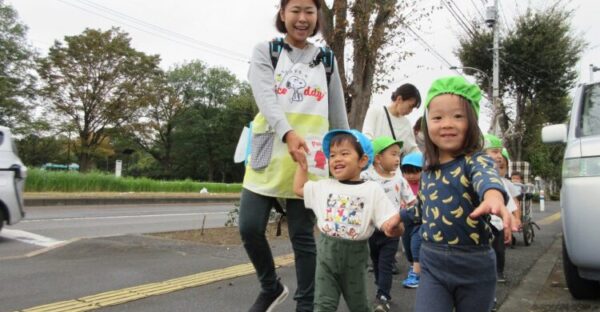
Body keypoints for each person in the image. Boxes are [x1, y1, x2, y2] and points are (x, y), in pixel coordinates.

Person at [239, 1, 349, 311]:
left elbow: (337, 115)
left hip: (310, 158)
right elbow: (266, 97)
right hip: (268, 152)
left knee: (303, 237)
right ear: (283, 14)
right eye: (295, 10)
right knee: (249, 227)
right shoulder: (267, 52)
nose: (302, 18)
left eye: (309, 12)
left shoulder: (327, 59)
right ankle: (271, 286)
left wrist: (345, 160)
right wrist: (288, 133)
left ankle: (305, 304)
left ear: (317, 18)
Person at [414, 76, 513, 312]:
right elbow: (421, 206)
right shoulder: (428, 168)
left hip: (474, 263)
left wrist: (493, 196)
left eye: (458, 116)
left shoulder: (476, 161)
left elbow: (487, 179)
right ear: (428, 125)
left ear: (472, 123)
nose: (447, 123)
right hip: (432, 261)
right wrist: (398, 219)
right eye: (437, 118)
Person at [293, 129, 403, 312]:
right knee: (322, 305)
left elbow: (389, 220)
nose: (336, 159)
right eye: (333, 155)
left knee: (359, 305)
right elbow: (298, 188)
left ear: (362, 160)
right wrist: (302, 167)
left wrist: (394, 228)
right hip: (326, 258)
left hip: (355, 257)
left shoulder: (371, 190)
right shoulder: (324, 187)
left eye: (344, 153)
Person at [361, 136, 416, 311]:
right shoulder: (366, 176)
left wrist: (414, 216)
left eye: (398, 155)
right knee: (376, 261)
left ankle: (383, 294)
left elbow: (412, 202)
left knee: (385, 263)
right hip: (371, 229)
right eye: (393, 154)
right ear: (378, 158)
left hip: (392, 229)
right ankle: (381, 286)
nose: (397, 159)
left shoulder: (399, 179)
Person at [483, 135, 519, 284]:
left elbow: (509, 204)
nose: (499, 156)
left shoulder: (499, 181)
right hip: (481, 225)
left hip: (497, 225)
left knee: (499, 250)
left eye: (500, 152)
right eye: (494, 152)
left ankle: (499, 272)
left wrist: (509, 224)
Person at [362, 83, 422, 156]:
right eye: (410, 106)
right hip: (373, 163)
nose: (411, 111)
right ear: (399, 99)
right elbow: (366, 138)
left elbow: (412, 150)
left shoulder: (407, 124)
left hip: (394, 167)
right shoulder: (376, 111)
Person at [399, 151, 424, 289]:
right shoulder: (402, 184)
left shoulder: (425, 184)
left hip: (419, 221)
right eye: (407, 172)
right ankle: (414, 266)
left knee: (416, 245)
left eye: (415, 172)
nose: (411, 176)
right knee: (407, 246)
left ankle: (416, 273)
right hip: (406, 221)